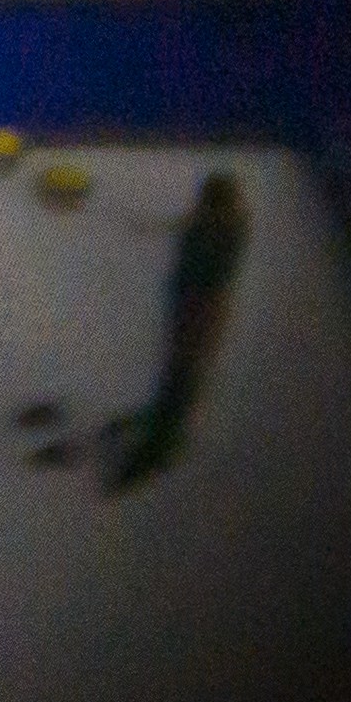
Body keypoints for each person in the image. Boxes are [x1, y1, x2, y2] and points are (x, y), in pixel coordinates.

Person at [99, 172, 251, 493]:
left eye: (208, 205)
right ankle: (161, 418)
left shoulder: (226, 232)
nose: (201, 208)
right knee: (175, 368)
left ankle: (163, 441)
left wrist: (200, 229)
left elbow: (211, 272)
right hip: (187, 304)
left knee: (185, 372)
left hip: (201, 311)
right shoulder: (210, 225)